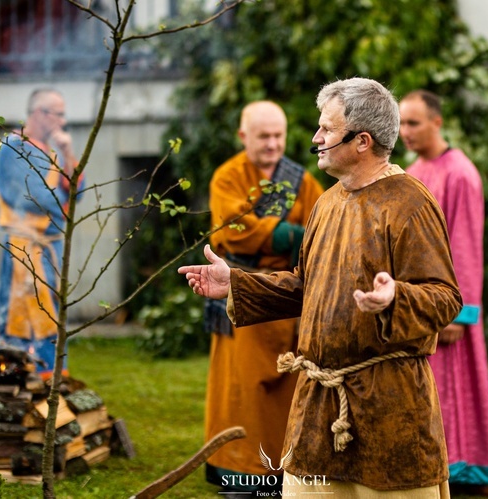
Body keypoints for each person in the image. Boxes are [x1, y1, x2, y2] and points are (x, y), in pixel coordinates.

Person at [180, 77, 462, 497]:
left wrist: (395, 298)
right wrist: (237, 285)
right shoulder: (327, 203)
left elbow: (444, 296)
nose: (316, 138)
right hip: (317, 409)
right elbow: (306, 286)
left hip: (389, 409)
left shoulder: (411, 203)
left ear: (362, 141)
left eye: (327, 130)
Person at [202, 100, 324, 493]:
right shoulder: (227, 177)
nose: (273, 144)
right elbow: (231, 228)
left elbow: (321, 223)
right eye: (263, 136)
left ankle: (281, 470)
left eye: (279, 135)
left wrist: (303, 239)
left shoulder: (302, 180)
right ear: (243, 136)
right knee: (240, 390)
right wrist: (283, 234)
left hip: (284, 296)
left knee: (286, 388)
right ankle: (237, 468)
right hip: (238, 290)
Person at [399, 89, 488, 496]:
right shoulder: (414, 169)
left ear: (437, 123)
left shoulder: (461, 173)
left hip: (447, 308)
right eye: (402, 123)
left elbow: (466, 245)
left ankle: (462, 474)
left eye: (414, 123)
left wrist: (460, 313)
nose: (405, 131)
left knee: (453, 390)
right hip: (416, 304)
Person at [0, 88, 84, 379]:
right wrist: (64, 205)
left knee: (50, 310)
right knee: (26, 311)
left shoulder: (55, 152)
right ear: (39, 113)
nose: (62, 120)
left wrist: (69, 152)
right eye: (57, 114)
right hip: (25, 244)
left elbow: (78, 192)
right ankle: (22, 376)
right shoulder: (13, 146)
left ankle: (54, 379)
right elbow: (33, 195)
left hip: (50, 244)